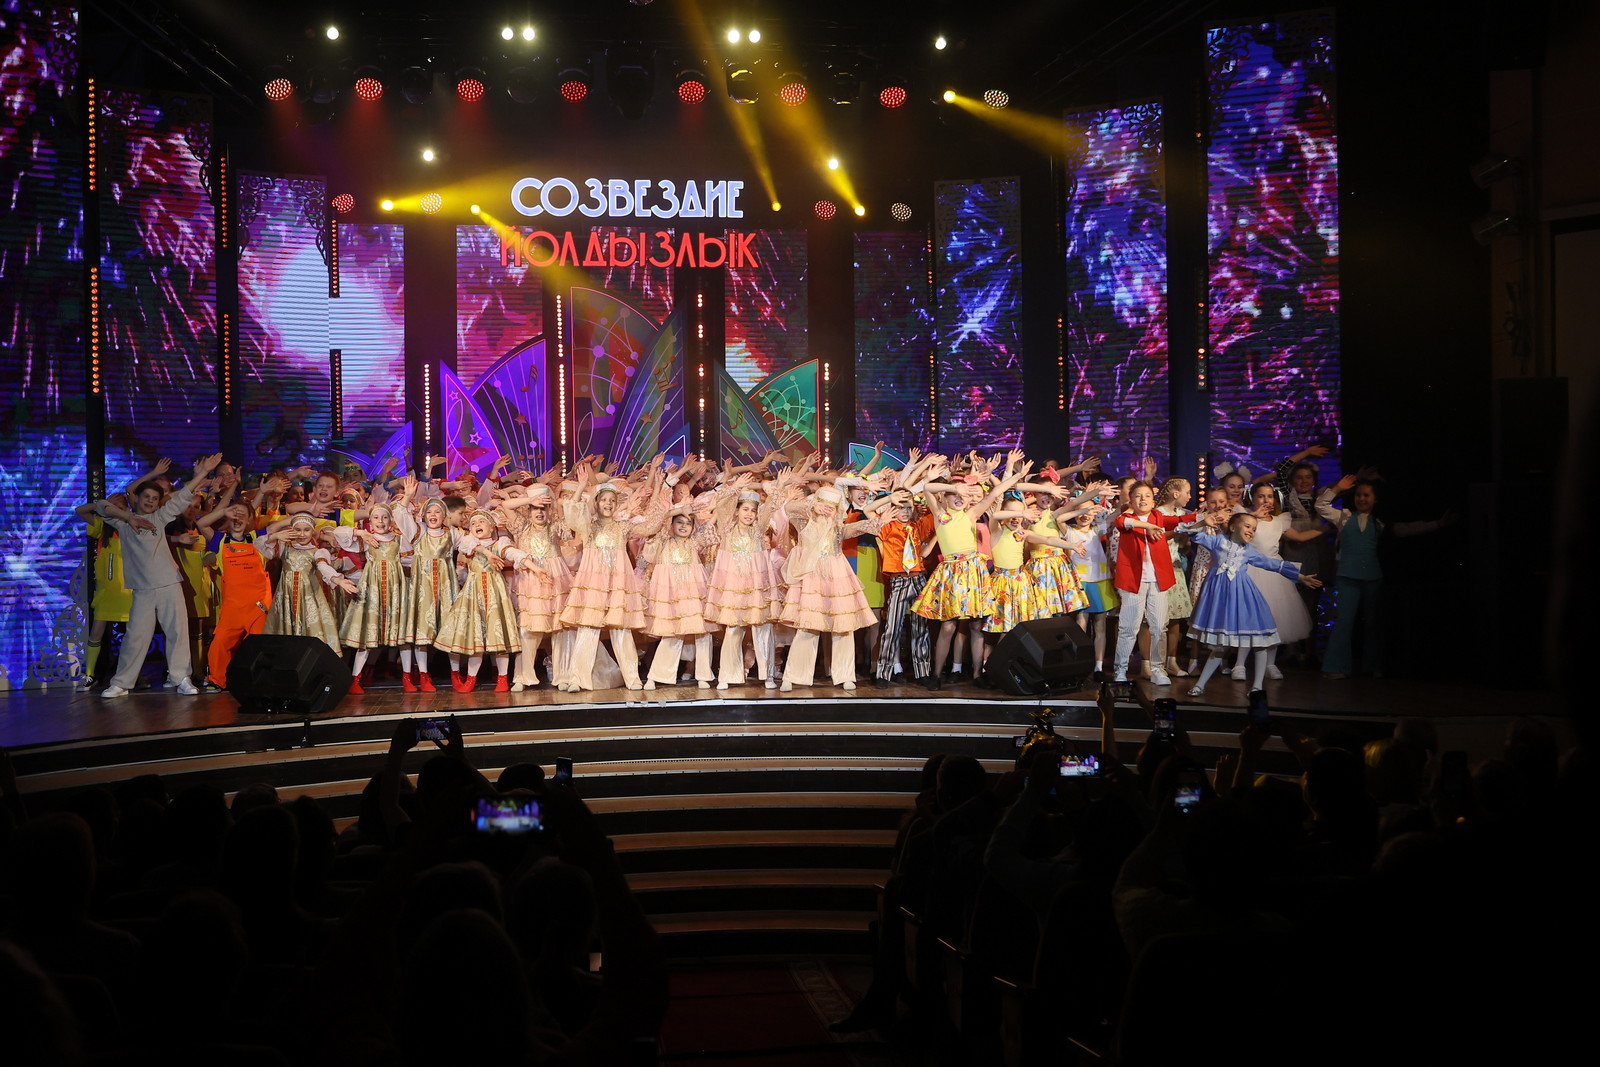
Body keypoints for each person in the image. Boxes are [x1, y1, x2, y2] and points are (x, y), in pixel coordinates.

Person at [90, 453, 224, 697]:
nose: (150, 501)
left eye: (154, 498)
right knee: (135, 636)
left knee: (177, 632)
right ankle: (122, 683)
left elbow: (183, 497)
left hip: (169, 583)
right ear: (137, 498)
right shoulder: (122, 523)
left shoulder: (159, 517)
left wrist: (203, 473)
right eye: (146, 497)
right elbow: (100, 505)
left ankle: (181, 678)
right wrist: (128, 516)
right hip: (142, 589)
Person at [1186, 513, 1323, 695]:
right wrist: (1203, 522)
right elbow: (1193, 534)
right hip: (1223, 602)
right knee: (1220, 645)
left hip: (1244, 598)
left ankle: (1257, 687)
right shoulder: (1218, 542)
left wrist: (1300, 576)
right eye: (1247, 526)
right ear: (1233, 527)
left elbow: (1272, 564)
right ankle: (1200, 684)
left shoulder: (1248, 551)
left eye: (1254, 528)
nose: (1251, 531)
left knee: (1259, 641)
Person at [779, 485, 879, 692]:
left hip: (837, 575)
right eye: (824, 506)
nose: (827, 511)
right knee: (808, 626)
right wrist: (812, 506)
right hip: (812, 576)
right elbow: (789, 508)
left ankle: (845, 675)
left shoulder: (838, 529)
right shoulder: (804, 522)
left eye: (831, 508)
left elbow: (855, 528)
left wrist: (875, 522)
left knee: (843, 626)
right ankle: (794, 675)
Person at [1110, 481, 1197, 687]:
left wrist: (1204, 517)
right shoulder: (1126, 519)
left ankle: (1158, 669)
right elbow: (1122, 523)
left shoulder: (1158, 516)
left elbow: (1180, 520)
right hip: (1134, 582)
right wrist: (1148, 526)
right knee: (1129, 627)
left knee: (1159, 627)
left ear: (1153, 500)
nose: (1143, 499)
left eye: (1147, 496)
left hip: (1157, 581)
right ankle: (1120, 670)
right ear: (1131, 500)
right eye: (1138, 496)